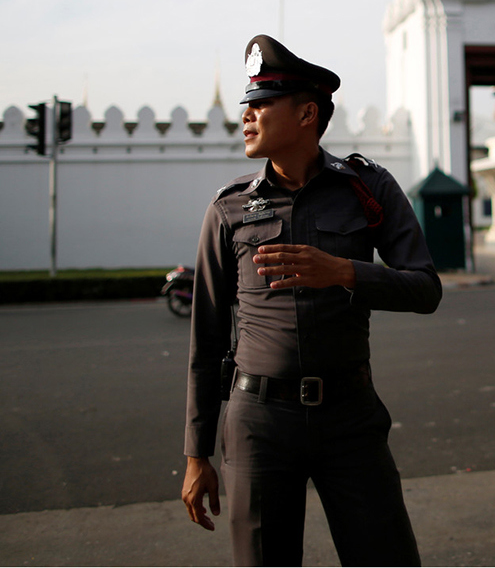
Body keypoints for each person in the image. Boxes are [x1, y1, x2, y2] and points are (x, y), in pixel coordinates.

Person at [180, 34, 441, 566]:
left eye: (261, 104)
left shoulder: (367, 190)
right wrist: (195, 452)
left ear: (307, 114)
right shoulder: (228, 209)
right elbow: (206, 338)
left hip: (350, 417)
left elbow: (425, 288)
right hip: (258, 423)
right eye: (246, 105)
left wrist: (344, 271)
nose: (247, 117)